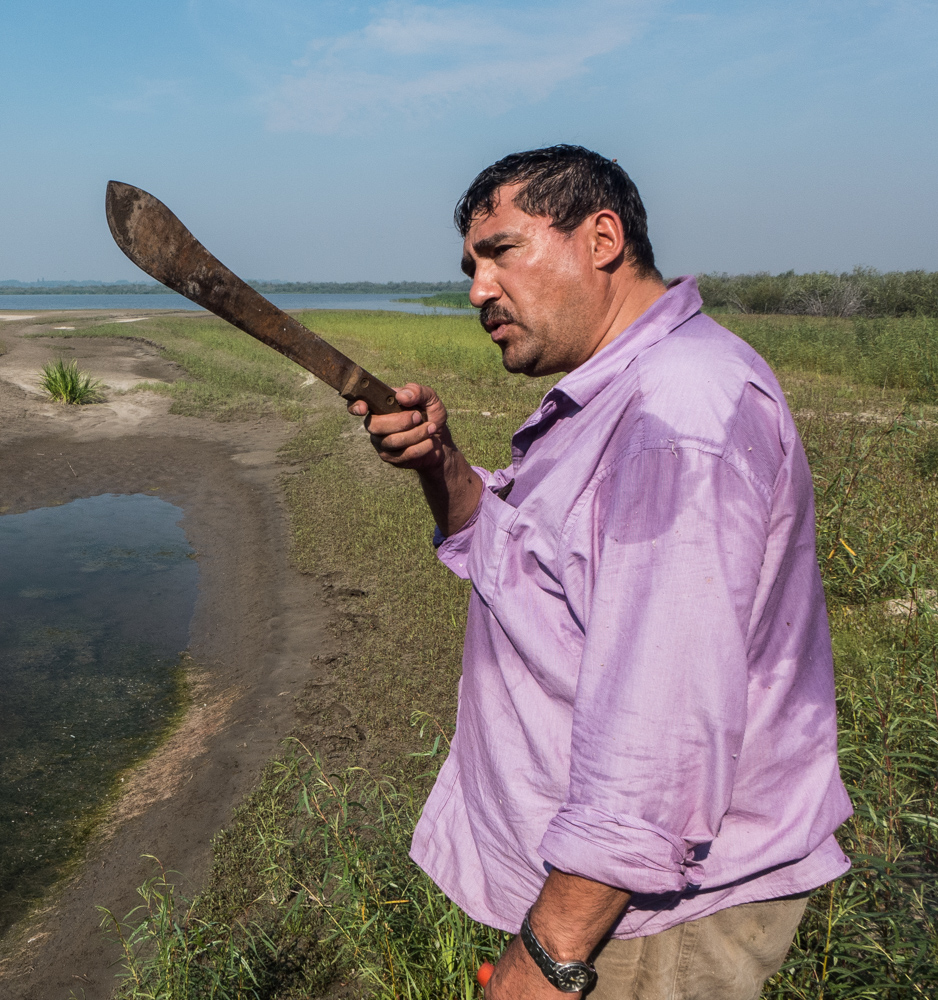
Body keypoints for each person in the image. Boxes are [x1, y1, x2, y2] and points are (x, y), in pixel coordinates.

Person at [350, 146, 852, 999]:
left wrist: (548, 955)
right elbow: (537, 571)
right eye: (471, 265)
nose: (477, 289)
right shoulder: (621, 394)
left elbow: (662, 732)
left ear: (603, 238)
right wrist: (444, 469)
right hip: (613, 897)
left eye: (501, 252)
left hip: (653, 919)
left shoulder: (678, 412)